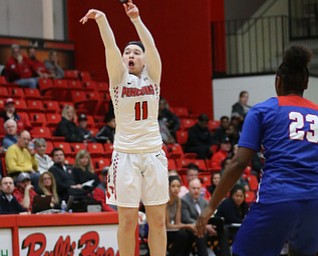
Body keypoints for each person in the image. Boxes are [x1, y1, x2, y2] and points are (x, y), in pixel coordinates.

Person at [196, 45, 318, 255]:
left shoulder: (263, 110)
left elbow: (239, 163)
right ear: (306, 83)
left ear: (277, 81)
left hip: (278, 197)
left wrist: (210, 207)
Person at [80, 1, 169, 255]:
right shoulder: (118, 79)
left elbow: (151, 46)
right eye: (127, 52)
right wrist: (102, 19)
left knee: (158, 221)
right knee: (128, 221)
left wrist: (136, 19)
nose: (130, 55)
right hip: (126, 156)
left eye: (135, 52)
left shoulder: (154, 76)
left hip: (153, 154)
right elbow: (110, 46)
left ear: (144, 59)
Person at [181, 178, 217, 256]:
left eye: (198, 188)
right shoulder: (183, 200)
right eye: (194, 188)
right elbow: (186, 219)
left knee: (223, 231)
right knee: (200, 234)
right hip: (191, 229)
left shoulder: (204, 201)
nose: (196, 191)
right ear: (189, 188)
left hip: (205, 227)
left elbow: (210, 216)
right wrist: (203, 226)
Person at [166, 175, 195, 256]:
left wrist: (190, 226)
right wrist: (188, 225)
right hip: (163, 230)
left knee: (191, 234)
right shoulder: (164, 200)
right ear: (168, 187)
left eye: (178, 186)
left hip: (172, 229)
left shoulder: (178, 200)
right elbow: (167, 225)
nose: (176, 189)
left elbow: (177, 222)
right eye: (173, 186)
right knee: (183, 235)